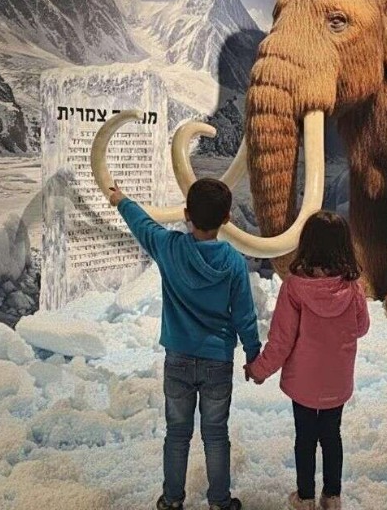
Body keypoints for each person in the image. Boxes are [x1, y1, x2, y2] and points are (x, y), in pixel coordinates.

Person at [108, 178, 260, 510]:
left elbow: (143, 225)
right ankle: (219, 501)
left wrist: (121, 200)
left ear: (187, 214)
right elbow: (245, 316)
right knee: (216, 434)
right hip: (217, 361)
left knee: (177, 433)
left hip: (177, 358)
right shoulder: (234, 262)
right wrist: (253, 355)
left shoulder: (170, 248)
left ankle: (172, 499)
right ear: (227, 218)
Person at [245, 211, 370, 510]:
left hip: (303, 383)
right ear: (344, 245)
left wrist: (259, 369)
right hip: (336, 381)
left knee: (305, 438)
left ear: (307, 243)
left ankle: (305, 497)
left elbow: (281, 340)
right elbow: (361, 327)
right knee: (332, 436)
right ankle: (332, 496)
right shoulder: (353, 288)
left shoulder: (294, 288)